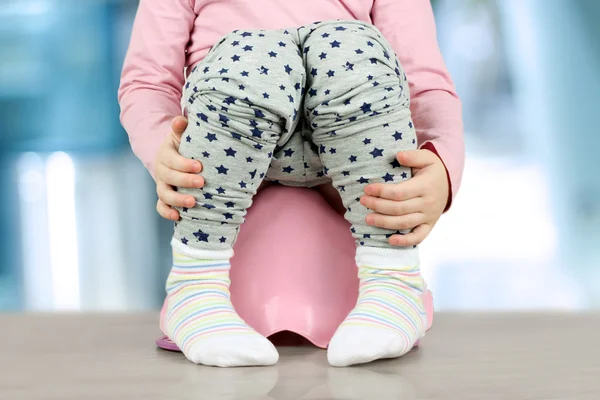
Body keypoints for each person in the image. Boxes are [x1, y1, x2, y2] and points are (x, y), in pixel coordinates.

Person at [118, 0, 464, 368]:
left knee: (346, 46)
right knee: (253, 55)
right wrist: (163, 151)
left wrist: (440, 167)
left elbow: (423, 85)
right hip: (231, 149)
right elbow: (147, 82)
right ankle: (196, 287)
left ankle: (393, 281)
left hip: (349, 150)